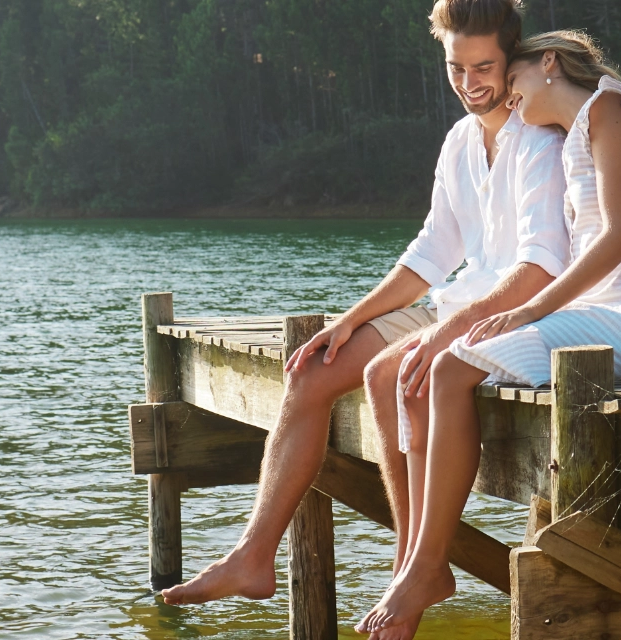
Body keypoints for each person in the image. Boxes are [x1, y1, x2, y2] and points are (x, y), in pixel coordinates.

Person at [158, 0, 571, 608]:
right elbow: (432, 251)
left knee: (391, 374)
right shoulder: (459, 141)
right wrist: (351, 320)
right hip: (454, 304)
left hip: (516, 313)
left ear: (512, 59)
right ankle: (252, 557)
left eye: (483, 67)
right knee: (311, 370)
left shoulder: (540, 138)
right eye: (456, 68)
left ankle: (413, 567)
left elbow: (541, 269)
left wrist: (440, 334)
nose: (468, 83)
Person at [355, 29, 621, 639]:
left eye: (512, 81)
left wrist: (529, 310)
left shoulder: (612, 110)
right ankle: (422, 564)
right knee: (442, 364)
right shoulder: (576, 134)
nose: (509, 99)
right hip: (608, 311)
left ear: (548, 63)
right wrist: (530, 311)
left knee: (450, 365)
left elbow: (620, 237)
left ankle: (427, 565)